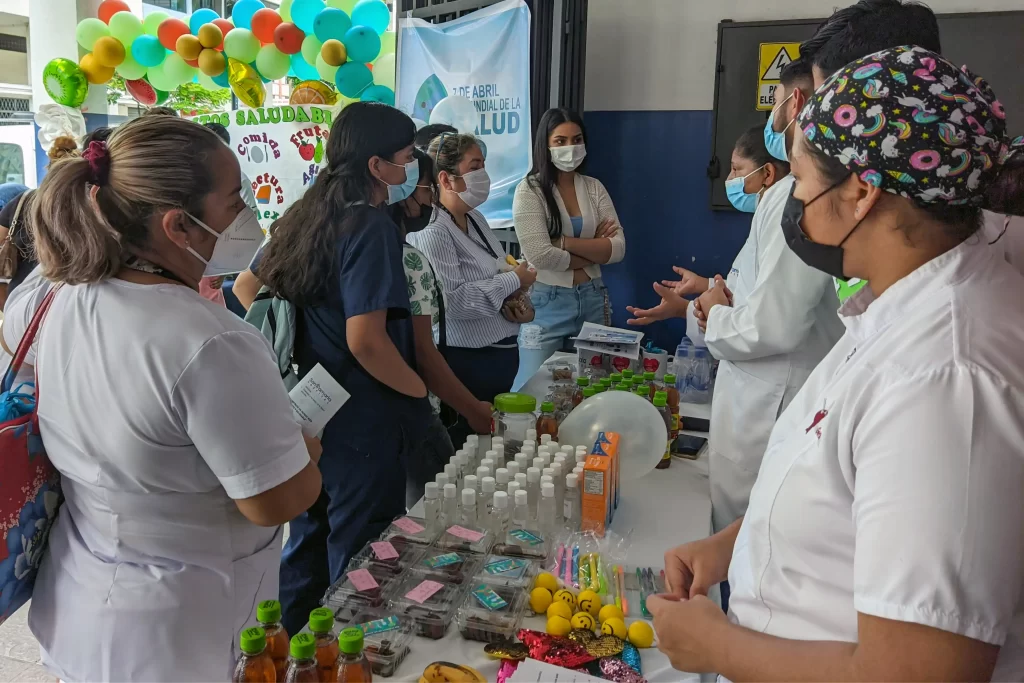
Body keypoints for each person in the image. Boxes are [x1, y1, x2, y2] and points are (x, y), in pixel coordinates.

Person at [649, 47, 1024, 681]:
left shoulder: (944, 378)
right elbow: (856, 496)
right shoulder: (897, 304)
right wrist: (737, 543)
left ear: (859, 192)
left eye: (798, 177)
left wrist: (718, 649)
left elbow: (922, 671)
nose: (793, 198)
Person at [1, 115, 322, 680]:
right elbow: (275, 502)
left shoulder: (49, 298)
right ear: (179, 226)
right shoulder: (212, 342)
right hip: (179, 633)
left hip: (80, 608)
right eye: (233, 199)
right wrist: (307, 452)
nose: (247, 213)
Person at [628, 60, 844, 539]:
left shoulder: (797, 196)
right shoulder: (779, 199)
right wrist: (706, 300)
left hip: (773, 395)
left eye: (776, 107)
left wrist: (710, 309)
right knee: (736, 534)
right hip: (755, 390)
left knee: (752, 541)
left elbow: (772, 323)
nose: (772, 120)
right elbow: (746, 294)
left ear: (797, 103)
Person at [258, 102, 434, 636]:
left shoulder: (307, 213)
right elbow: (368, 342)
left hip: (311, 410)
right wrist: (418, 392)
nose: (410, 172)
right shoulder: (371, 226)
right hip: (362, 416)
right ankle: (347, 656)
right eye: (405, 159)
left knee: (309, 540)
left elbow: (252, 288)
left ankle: (293, 655)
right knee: (360, 554)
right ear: (376, 166)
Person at [408, 133, 534, 448]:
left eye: (484, 165)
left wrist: (516, 302)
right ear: (446, 179)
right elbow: (453, 302)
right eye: (475, 166)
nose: (484, 175)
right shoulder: (433, 231)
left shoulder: (475, 218)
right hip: (465, 365)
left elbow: (497, 271)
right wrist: (513, 281)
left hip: (500, 358)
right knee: (463, 459)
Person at [388, 148, 493, 505]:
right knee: (429, 510)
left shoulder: (324, 238)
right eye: (426, 189)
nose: (430, 201)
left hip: (354, 413)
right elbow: (422, 351)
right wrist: (473, 409)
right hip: (405, 410)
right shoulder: (408, 257)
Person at [510, 108, 626, 389]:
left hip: (593, 299)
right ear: (545, 145)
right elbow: (539, 255)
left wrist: (563, 242)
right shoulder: (530, 190)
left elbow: (618, 249)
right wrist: (593, 249)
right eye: (560, 141)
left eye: (576, 139)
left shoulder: (594, 187)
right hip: (545, 303)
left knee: (596, 389)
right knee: (531, 390)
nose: (570, 147)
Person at [200, 121, 260, 307]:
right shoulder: (187, 180)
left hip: (212, 271)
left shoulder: (238, 180)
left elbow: (244, 227)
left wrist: (224, 267)